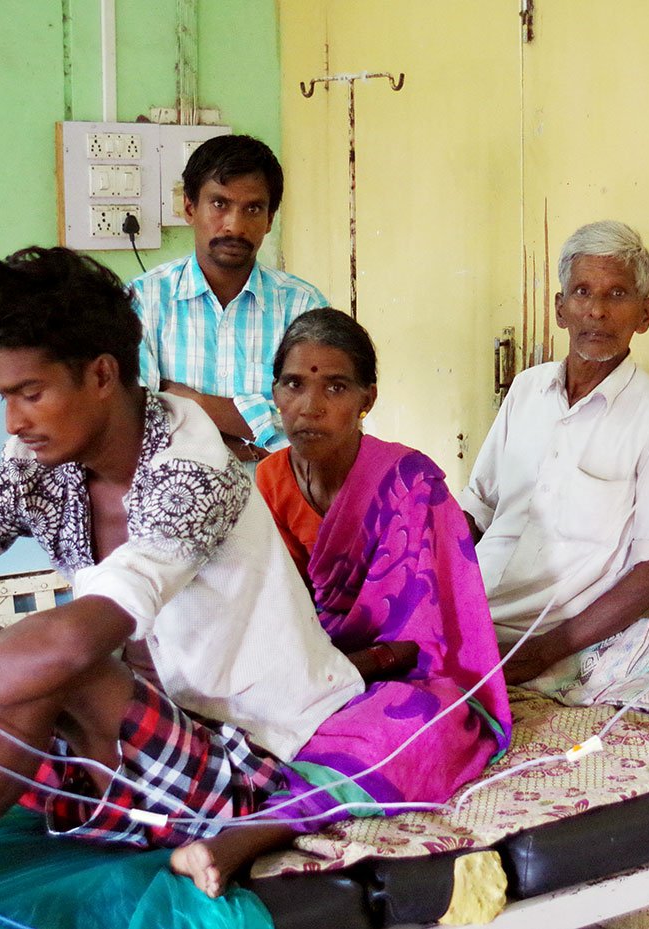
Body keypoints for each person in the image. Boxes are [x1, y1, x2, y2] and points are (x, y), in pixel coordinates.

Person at [0, 247, 364, 929]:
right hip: (112, 758)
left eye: (31, 393)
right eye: (5, 398)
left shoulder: (195, 469)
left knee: (53, 661)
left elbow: (78, 641)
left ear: (103, 375)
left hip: (235, 765)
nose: (14, 421)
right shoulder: (37, 463)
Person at [170, 308, 513, 898]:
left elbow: (420, 643)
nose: (310, 405)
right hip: (303, 667)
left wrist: (339, 672)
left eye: (336, 386)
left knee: (417, 733)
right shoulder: (262, 486)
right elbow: (257, 619)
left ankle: (250, 833)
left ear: (366, 399)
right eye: (294, 384)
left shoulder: (411, 481)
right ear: (274, 393)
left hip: (398, 676)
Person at [457, 221, 649, 686]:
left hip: (545, 639)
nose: (597, 312)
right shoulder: (528, 388)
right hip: (467, 618)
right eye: (583, 292)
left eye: (617, 294)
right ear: (560, 308)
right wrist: (421, 591)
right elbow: (476, 507)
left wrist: (539, 654)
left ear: (644, 315)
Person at [132, 133, 329, 463]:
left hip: (279, 505)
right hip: (177, 506)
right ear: (190, 208)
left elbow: (316, 417)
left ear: (269, 220)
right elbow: (136, 423)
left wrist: (195, 403)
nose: (235, 226)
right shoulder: (144, 301)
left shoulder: (302, 307)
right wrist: (257, 443)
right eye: (220, 204)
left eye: (253, 208)